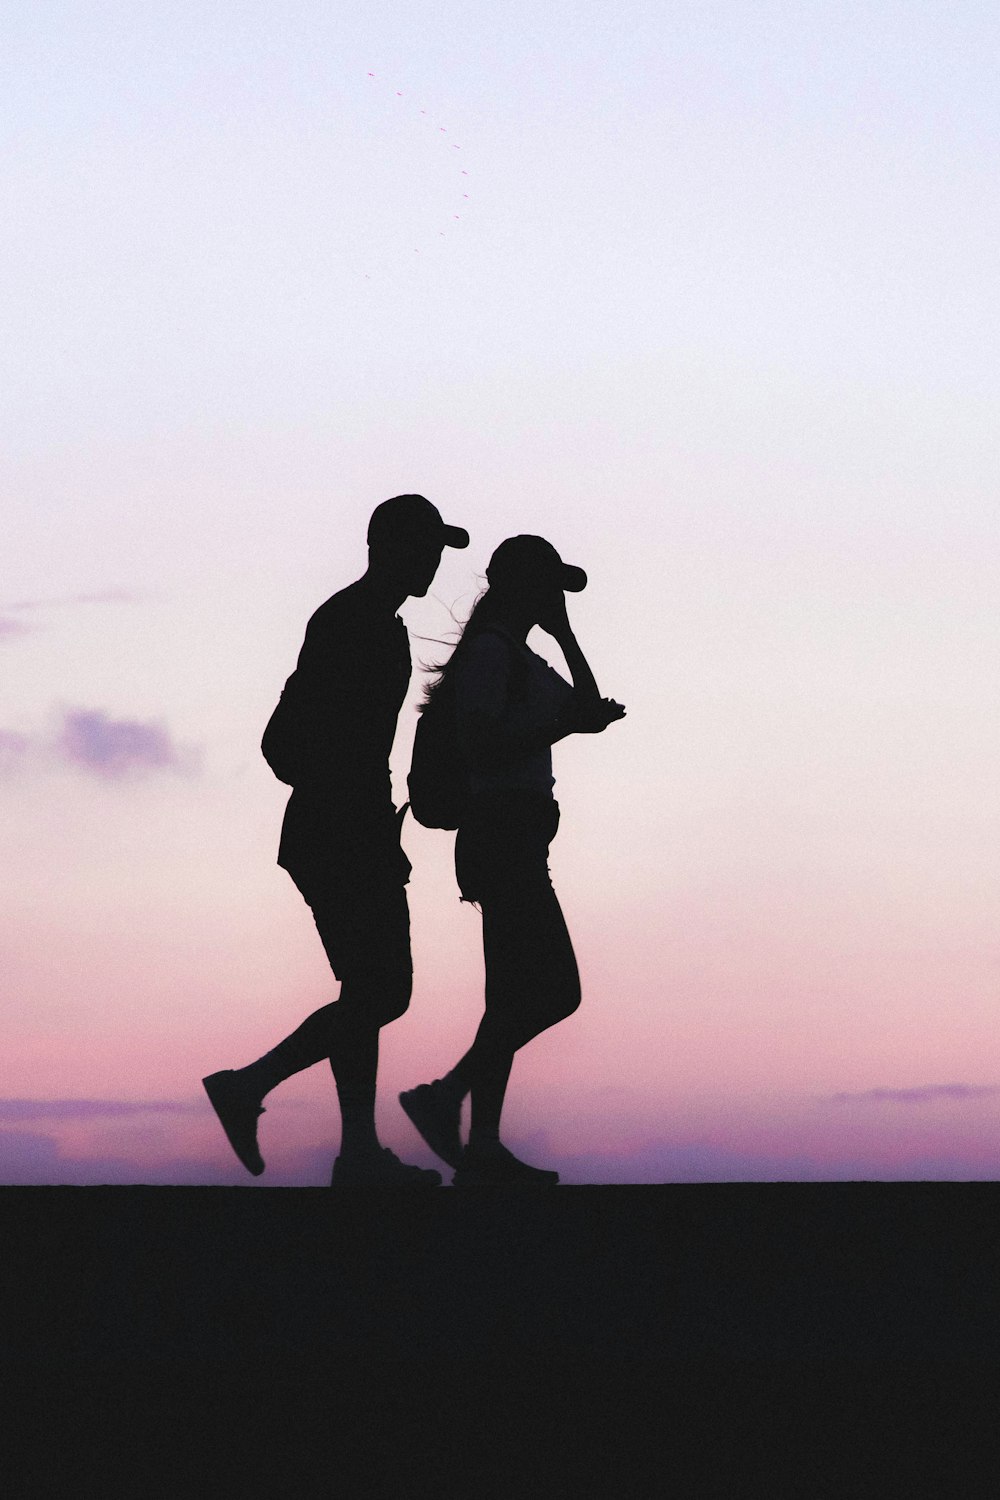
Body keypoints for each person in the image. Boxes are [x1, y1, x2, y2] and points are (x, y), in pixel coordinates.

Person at [203, 494, 469, 1186]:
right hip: (338, 830)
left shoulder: (377, 625)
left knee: (370, 989)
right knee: (381, 990)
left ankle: (350, 1150)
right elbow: (291, 739)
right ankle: (258, 1090)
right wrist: (355, 812)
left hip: (347, 827)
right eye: (424, 547)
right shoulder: (353, 623)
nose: (434, 561)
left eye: (439, 549)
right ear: (385, 547)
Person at [400, 535, 625, 1185]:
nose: (557, 599)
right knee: (557, 990)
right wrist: (562, 727)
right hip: (502, 837)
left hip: (515, 838)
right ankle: (447, 1095)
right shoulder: (492, 656)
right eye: (550, 588)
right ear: (522, 586)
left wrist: (565, 634)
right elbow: (483, 746)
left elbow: (586, 703)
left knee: (507, 999)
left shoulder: (516, 655)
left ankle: (483, 1149)